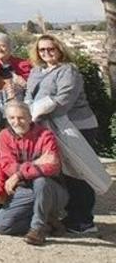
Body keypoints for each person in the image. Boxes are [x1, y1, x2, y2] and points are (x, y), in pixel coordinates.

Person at [24, 34, 108, 235]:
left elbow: (63, 101)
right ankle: (70, 214)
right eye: (42, 50)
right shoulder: (37, 71)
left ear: (59, 49)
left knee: (79, 172)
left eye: (50, 49)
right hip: (47, 127)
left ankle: (84, 220)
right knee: (60, 172)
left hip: (75, 127)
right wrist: (30, 110)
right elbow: (28, 96)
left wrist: (34, 111)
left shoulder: (68, 70)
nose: (46, 53)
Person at [0, 101, 68, 246]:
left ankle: (37, 229)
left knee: (41, 181)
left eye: (21, 117)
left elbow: (52, 166)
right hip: (25, 190)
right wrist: (36, 163)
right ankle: (48, 221)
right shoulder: (4, 136)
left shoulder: (45, 135)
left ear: (30, 117)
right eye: (12, 118)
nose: (16, 122)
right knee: (1, 226)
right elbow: (8, 167)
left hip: (52, 190)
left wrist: (19, 174)